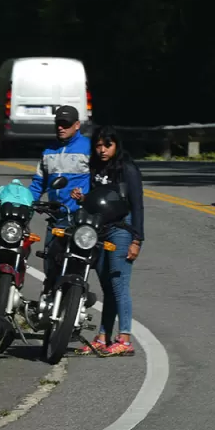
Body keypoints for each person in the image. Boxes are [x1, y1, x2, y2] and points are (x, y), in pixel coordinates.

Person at [72, 125, 143, 356]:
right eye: (99, 145)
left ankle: (125, 338)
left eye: (107, 145)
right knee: (107, 286)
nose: (102, 150)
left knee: (119, 283)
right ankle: (103, 337)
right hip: (100, 230)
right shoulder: (97, 168)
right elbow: (99, 201)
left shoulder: (127, 169)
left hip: (122, 230)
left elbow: (137, 205)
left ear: (116, 145)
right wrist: (83, 199)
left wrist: (137, 239)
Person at [25, 105, 91, 295]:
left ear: (77, 125)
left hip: (79, 217)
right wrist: (28, 203)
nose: (61, 127)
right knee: (51, 263)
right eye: (58, 124)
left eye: (66, 124)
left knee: (76, 265)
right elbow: (38, 182)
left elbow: (98, 182)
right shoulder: (48, 150)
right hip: (55, 217)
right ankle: (49, 300)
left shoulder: (88, 148)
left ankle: (75, 302)